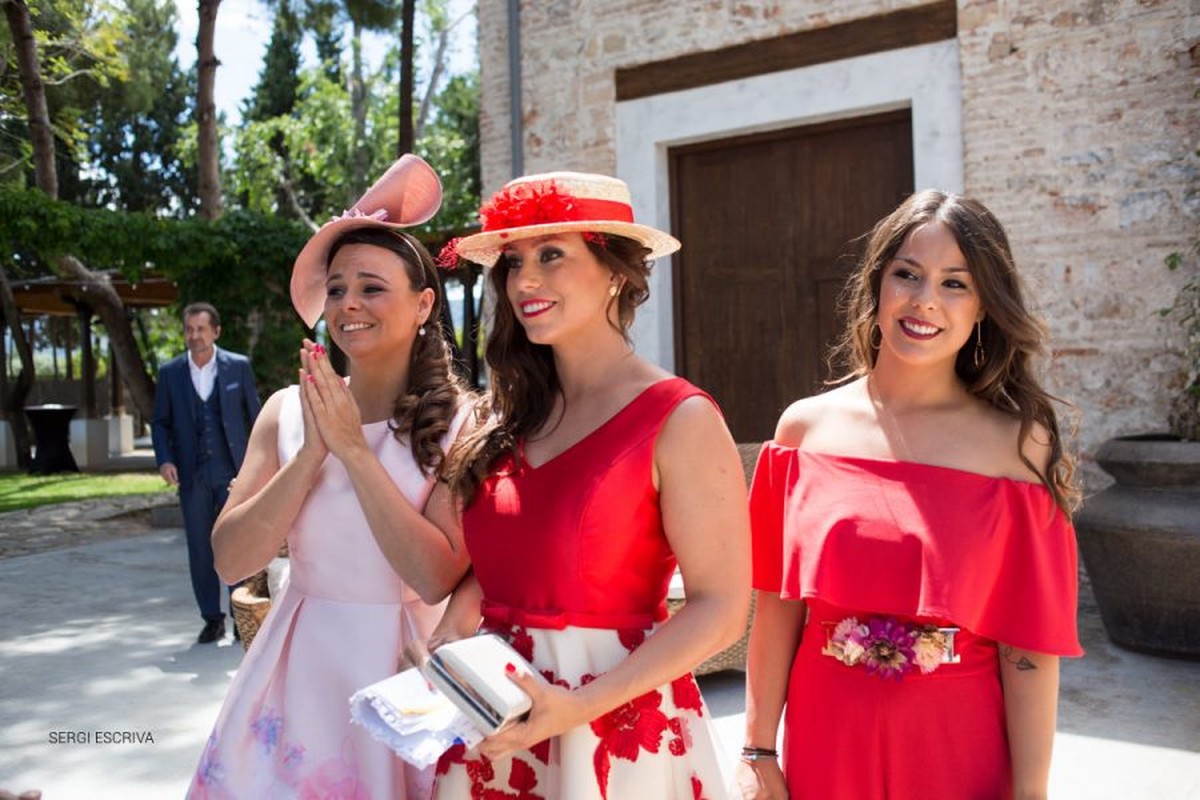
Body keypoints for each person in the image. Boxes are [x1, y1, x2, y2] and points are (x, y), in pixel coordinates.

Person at [737, 190, 1084, 800]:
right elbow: (777, 609)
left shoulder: (1016, 447)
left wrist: (1031, 794)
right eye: (908, 274)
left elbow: (1027, 648)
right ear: (877, 285)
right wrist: (757, 749)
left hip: (957, 745)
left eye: (956, 283)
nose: (925, 300)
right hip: (826, 740)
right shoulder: (802, 432)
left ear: (983, 308)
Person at [431, 172, 751, 799]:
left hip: (614, 728)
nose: (524, 281)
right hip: (495, 719)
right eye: (514, 261)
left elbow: (721, 610)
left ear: (616, 272)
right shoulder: (508, 417)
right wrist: (453, 624)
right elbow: (515, 553)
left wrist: (577, 709)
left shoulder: (679, 417)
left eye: (553, 254)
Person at [187, 154, 473, 799]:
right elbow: (230, 560)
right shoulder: (286, 410)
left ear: (424, 303)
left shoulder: (466, 421)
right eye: (337, 288)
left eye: (372, 287)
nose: (349, 305)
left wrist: (352, 448)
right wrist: (312, 453)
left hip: (406, 666)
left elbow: (435, 576)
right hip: (297, 668)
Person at [152, 302, 261, 644]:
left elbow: (256, 417)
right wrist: (165, 459)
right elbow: (160, 421)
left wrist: (259, 465)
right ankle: (211, 619)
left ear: (216, 331)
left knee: (236, 542)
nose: (194, 336)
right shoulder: (171, 373)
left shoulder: (238, 367)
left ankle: (240, 615)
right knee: (200, 547)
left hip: (232, 472)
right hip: (191, 473)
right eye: (189, 329)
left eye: (201, 329)